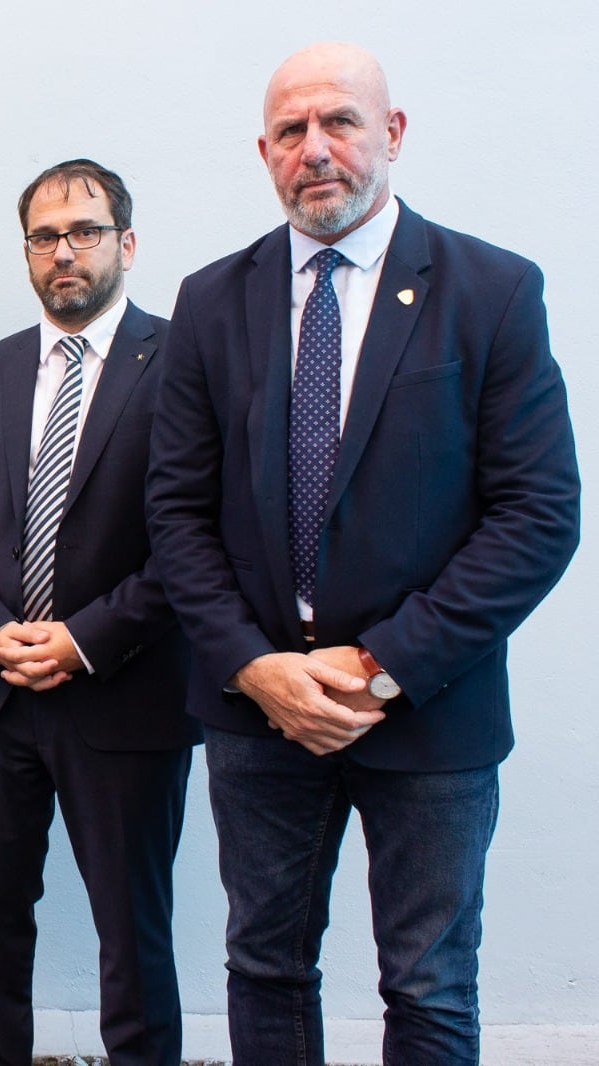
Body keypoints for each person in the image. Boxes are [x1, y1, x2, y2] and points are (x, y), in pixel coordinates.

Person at [145, 43, 580, 1065]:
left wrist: (376, 664)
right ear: (264, 152)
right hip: (258, 712)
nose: (315, 149)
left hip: (430, 709)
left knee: (427, 981)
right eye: (290, 131)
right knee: (263, 964)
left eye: (338, 121)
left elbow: (537, 515)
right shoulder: (212, 301)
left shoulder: (491, 292)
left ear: (390, 134)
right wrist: (255, 666)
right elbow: (173, 513)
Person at [0, 159, 198, 1066]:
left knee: (132, 932)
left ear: (126, 242)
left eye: (83, 231)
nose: (63, 251)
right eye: (44, 236)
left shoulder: (184, 362)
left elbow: (195, 541)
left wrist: (83, 641)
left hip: (122, 694)